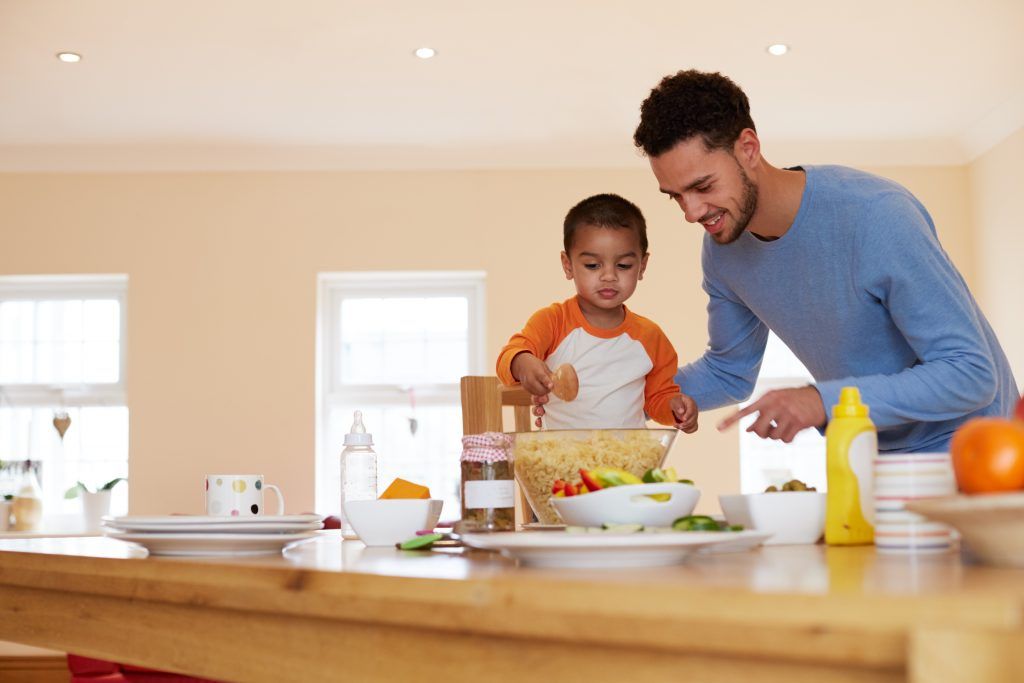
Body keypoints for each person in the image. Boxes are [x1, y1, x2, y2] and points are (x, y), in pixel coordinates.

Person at [631, 69, 1018, 452]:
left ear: (748, 148)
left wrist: (820, 401)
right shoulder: (722, 251)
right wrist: (622, 393)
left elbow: (971, 372)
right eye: (676, 195)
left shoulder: (876, 216)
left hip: (976, 449)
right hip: (872, 453)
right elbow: (729, 372)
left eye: (702, 186)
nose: (691, 212)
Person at [496, 193, 698, 432]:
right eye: (593, 265)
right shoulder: (553, 321)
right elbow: (509, 356)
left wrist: (675, 407)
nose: (609, 276)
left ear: (642, 266)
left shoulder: (650, 336)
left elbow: (657, 398)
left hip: (628, 463)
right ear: (567, 265)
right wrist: (522, 362)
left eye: (623, 265)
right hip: (564, 461)